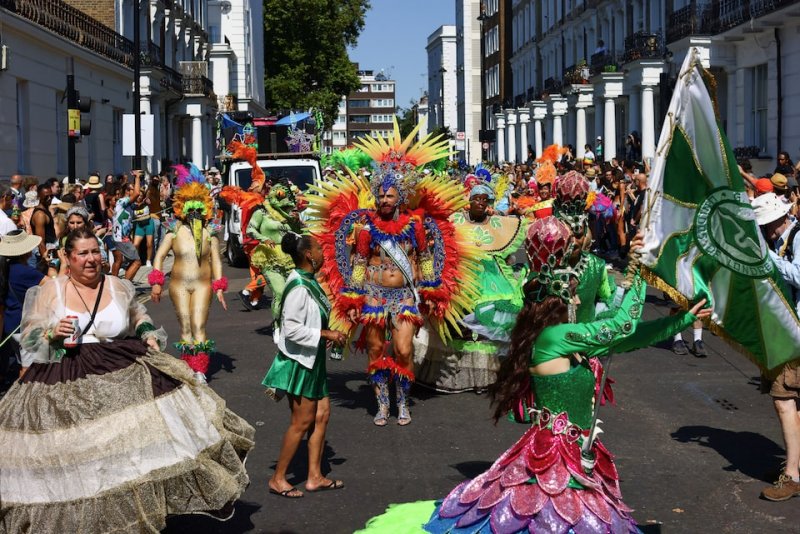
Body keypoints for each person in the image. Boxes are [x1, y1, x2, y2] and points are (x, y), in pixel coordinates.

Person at [361, 219, 710, 532]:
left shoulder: (565, 336)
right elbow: (622, 324)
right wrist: (638, 268)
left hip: (579, 449)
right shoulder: (555, 339)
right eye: (572, 291)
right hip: (557, 456)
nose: (577, 295)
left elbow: (629, 339)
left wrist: (681, 320)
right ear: (558, 299)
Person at [0, 228, 253, 530]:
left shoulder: (118, 285)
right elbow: (28, 338)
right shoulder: (50, 290)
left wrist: (147, 332)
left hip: (122, 373)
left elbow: (137, 316)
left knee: (131, 459)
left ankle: (132, 518)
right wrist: (51, 333)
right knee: (82, 464)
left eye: (96, 251)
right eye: (83, 253)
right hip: (65, 380)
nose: (92, 259)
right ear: (67, 257)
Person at [311, 124, 478, 427]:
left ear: (400, 197)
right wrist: (352, 296)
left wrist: (430, 290)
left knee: (403, 350)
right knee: (375, 349)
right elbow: (359, 263)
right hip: (374, 296)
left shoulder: (415, 226)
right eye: (381, 196)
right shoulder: (365, 229)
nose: (384, 200)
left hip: (403, 297)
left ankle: (403, 400)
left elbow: (425, 259)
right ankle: (382, 403)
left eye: (390, 195)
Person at [415, 182, 527, 393]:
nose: (480, 203)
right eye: (477, 199)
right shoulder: (456, 220)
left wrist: (519, 212)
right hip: (461, 277)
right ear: (469, 201)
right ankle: (454, 372)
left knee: (487, 329)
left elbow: (513, 241)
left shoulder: (497, 222)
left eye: (485, 200)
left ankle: (486, 375)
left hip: (491, 280)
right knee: (457, 324)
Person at [263, 232, 346, 498]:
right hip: (300, 362)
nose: (323, 253)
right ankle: (278, 478)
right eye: (319, 249)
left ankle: (314, 476)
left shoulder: (308, 280)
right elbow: (291, 330)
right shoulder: (298, 286)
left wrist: (325, 333)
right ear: (309, 255)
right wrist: (326, 335)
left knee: (322, 416)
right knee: (301, 422)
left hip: (313, 359)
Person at [149, 164, 228, 384]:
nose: (195, 212)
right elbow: (159, 257)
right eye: (190, 207)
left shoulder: (209, 232)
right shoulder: (173, 232)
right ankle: (188, 367)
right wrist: (157, 281)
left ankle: (200, 369)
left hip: (203, 284)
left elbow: (217, 261)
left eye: (199, 207)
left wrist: (219, 286)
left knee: (199, 326)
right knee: (185, 326)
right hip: (178, 285)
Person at [752, 192, 800, 501]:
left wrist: (770, 261)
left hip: (795, 332)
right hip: (790, 330)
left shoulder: (797, 237)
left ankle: (793, 474)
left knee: (784, 399)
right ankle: (794, 465)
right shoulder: (789, 237)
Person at [0, 230, 46, 392]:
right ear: (26, 251)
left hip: (10, 325)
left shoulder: (5, 269)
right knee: (29, 369)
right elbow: (53, 285)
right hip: (25, 326)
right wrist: (54, 266)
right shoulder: (25, 272)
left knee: (22, 363)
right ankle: (24, 399)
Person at [110, 173, 142, 280]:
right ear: (128, 192)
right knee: (137, 262)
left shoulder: (127, 204)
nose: (135, 190)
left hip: (120, 237)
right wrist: (137, 177)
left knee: (122, 260)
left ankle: (117, 283)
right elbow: (137, 193)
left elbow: (137, 205)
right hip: (120, 238)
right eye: (132, 189)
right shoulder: (122, 201)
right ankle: (125, 285)